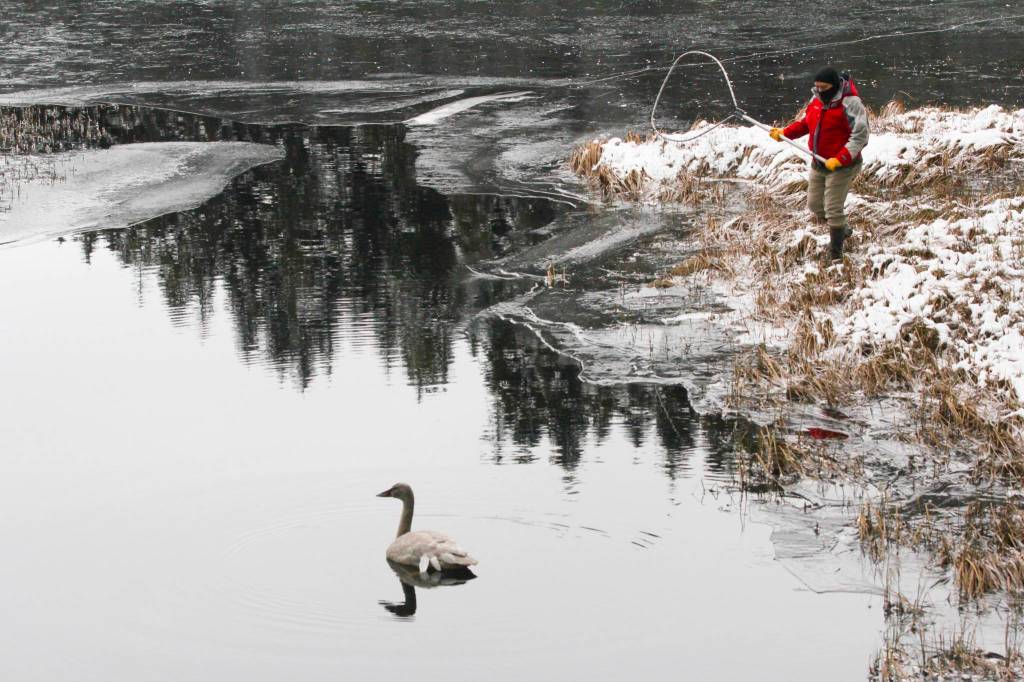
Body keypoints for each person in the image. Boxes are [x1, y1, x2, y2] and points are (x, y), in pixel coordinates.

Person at [769, 66, 869, 260]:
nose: (820, 91)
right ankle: (843, 229)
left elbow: (860, 136)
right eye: (817, 87)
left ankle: (836, 255)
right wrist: (784, 133)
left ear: (834, 85)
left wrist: (840, 159)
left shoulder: (851, 103)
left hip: (842, 167)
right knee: (815, 205)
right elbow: (806, 123)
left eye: (824, 88)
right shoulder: (816, 100)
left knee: (833, 209)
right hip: (819, 163)